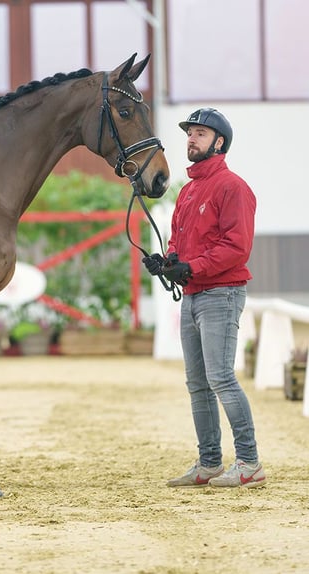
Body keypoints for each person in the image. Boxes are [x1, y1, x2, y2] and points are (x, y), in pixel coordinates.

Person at [143, 108, 266, 488]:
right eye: (190, 133)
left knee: (221, 379)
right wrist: (167, 261)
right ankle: (210, 462)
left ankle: (249, 463)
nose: (191, 139)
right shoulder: (188, 190)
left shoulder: (233, 188)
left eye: (200, 133)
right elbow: (181, 242)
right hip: (194, 296)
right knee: (197, 383)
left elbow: (236, 247)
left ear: (219, 142)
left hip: (221, 293)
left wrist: (192, 268)